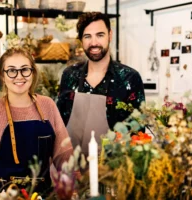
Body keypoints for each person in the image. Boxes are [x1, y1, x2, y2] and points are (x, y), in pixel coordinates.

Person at [0, 47, 73, 193]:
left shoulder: (48, 105)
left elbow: (63, 154)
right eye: (12, 70)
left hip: (42, 195)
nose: (19, 76)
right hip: (1, 195)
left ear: (33, 72)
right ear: (2, 75)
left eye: (25, 69)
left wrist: (73, 188)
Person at [57, 12, 145, 157]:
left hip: (114, 169)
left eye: (100, 35)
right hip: (73, 167)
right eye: (87, 36)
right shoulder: (69, 75)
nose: (94, 43)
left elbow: (138, 133)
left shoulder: (129, 78)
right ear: (81, 40)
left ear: (110, 35)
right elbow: (59, 124)